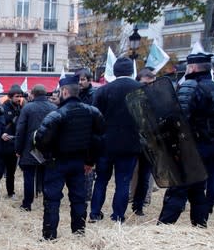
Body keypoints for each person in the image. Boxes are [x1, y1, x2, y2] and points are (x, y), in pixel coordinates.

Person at [158, 52, 214, 225]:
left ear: (192, 67)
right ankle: (200, 224)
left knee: (178, 189)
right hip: (212, 147)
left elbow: (179, 118)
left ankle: (164, 226)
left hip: (191, 147)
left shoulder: (190, 86)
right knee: (198, 189)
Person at [34, 74, 105, 240]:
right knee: (79, 198)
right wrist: (90, 160)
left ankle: (50, 236)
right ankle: (79, 233)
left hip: (57, 162)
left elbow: (40, 139)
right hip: (79, 163)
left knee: (52, 200)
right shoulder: (92, 112)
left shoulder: (57, 115)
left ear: (64, 92)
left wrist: (47, 155)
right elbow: (99, 139)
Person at [89, 57, 141, 223]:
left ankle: (95, 213)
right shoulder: (141, 89)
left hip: (106, 144)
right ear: (131, 71)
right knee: (123, 182)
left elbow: (94, 118)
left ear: (114, 71)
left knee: (101, 180)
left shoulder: (103, 91)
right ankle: (118, 215)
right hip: (130, 144)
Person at [14, 84, 56, 211]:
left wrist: (18, 149)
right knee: (47, 177)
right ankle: (47, 203)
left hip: (29, 148)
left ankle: (27, 204)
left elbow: (20, 130)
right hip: (48, 148)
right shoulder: (54, 108)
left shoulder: (27, 108)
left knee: (29, 177)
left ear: (33, 94)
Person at [131, 68, 157, 216]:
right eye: (145, 83)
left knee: (145, 176)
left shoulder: (157, 98)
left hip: (149, 142)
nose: (149, 87)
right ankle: (130, 200)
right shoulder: (131, 98)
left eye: (151, 83)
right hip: (133, 141)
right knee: (128, 174)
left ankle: (138, 205)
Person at [0, 84, 23, 200]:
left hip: (13, 144)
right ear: (10, 97)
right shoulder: (3, 108)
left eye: (20, 96)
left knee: (11, 172)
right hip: (2, 145)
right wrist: (1, 134)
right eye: (16, 96)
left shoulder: (20, 108)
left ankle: (10, 192)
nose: (19, 98)